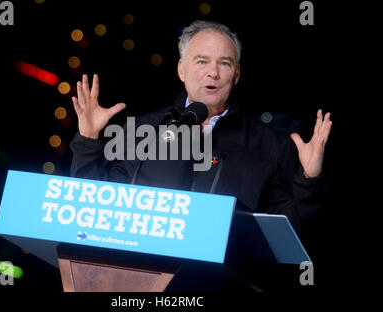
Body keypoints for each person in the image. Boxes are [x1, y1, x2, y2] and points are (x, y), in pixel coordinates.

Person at [69, 20, 332, 290]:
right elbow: (96, 210)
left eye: (225, 63)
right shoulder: (141, 131)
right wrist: (88, 141)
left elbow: (288, 235)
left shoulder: (272, 146)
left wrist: (309, 180)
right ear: (181, 69)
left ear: (237, 74)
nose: (213, 73)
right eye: (202, 61)